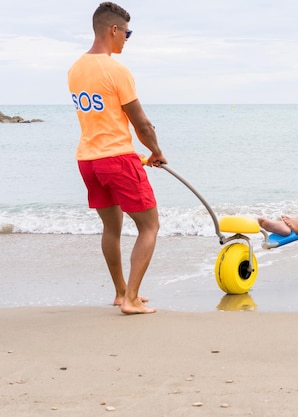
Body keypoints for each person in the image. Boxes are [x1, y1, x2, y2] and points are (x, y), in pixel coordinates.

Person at [68, 2, 166, 314]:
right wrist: (156, 152)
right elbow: (142, 123)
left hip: (88, 161)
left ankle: (121, 291)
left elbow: (102, 121)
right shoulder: (116, 70)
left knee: (112, 228)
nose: (127, 38)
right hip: (118, 161)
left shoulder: (75, 69)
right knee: (149, 226)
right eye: (127, 33)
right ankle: (131, 300)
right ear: (113, 30)